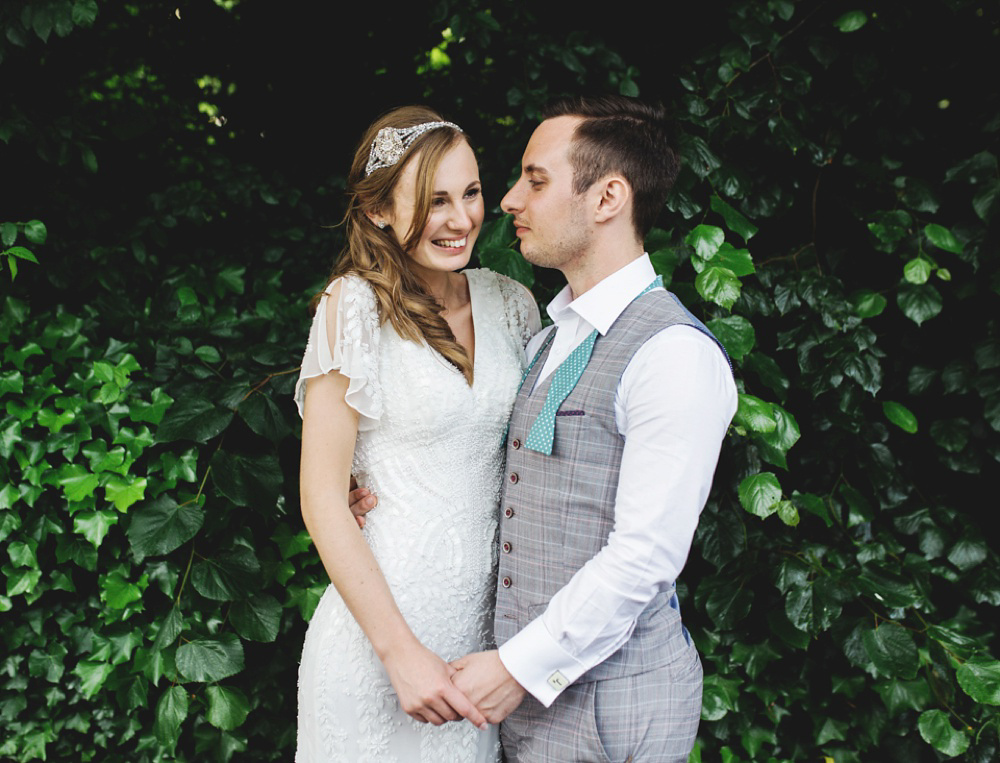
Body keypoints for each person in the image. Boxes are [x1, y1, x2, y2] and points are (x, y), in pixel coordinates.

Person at [446, 95, 739, 762]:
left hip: (615, 707)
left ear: (608, 197)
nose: (510, 200)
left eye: (536, 179)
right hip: (530, 712)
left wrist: (518, 666)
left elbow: (645, 556)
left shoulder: (673, 354)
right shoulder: (546, 344)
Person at [293, 105, 540, 762]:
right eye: (434, 202)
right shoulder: (352, 307)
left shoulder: (511, 303)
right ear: (377, 209)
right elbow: (321, 495)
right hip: (377, 651)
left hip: (477, 657)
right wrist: (400, 654)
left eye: (471, 192)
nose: (461, 219)